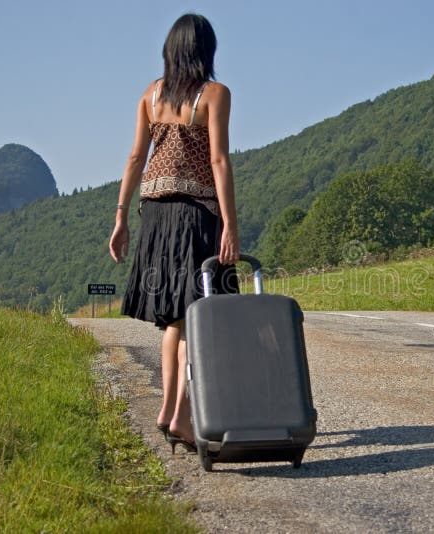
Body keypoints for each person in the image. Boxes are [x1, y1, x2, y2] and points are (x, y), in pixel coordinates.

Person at [108, 13, 239, 453]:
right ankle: (180, 415)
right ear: (207, 50)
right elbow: (219, 161)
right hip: (195, 215)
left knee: (174, 318)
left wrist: (122, 216)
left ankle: (169, 410)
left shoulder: (151, 94)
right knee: (197, 317)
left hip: (155, 217)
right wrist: (231, 225)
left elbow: (134, 159)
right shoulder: (213, 94)